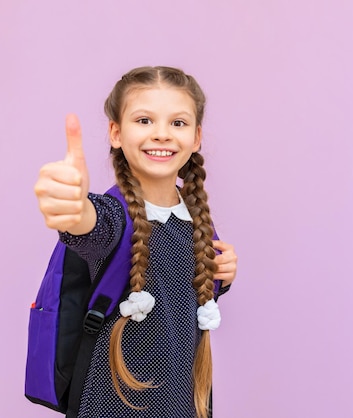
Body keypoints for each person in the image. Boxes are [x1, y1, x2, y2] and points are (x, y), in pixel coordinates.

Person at [33, 66, 238, 418]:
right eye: (144, 121)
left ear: (197, 137)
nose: (161, 134)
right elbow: (87, 224)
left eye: (178, 123)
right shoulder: (112, 217)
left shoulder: (197, 221)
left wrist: (224, 275)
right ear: (116, 132)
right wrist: (72, 207)